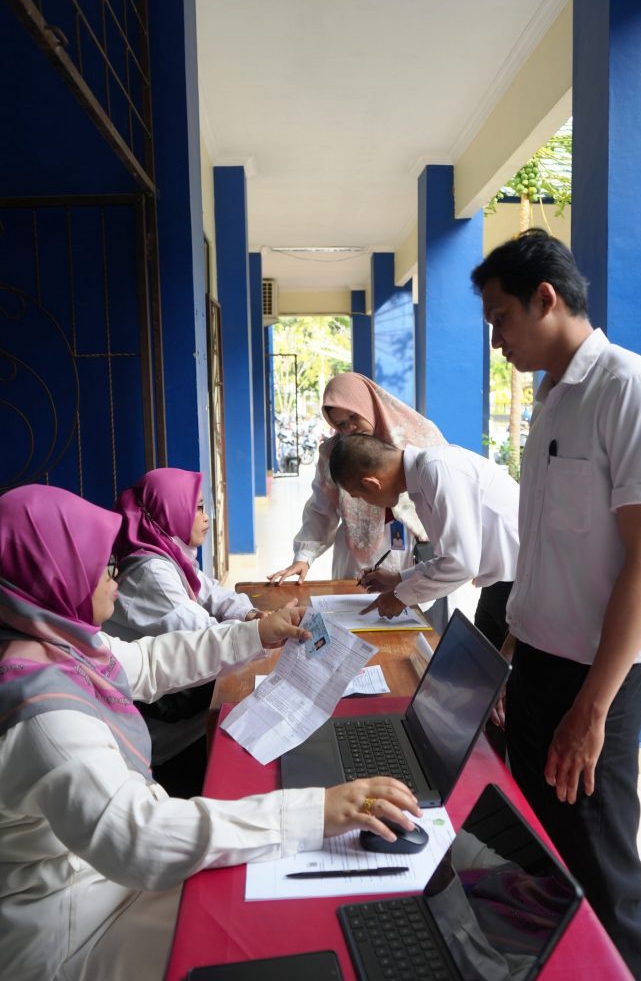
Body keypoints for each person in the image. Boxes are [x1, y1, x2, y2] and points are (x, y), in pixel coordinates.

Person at [0, 484, 422, 981]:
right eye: (102, 565)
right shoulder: (45, 714)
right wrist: (319, 810)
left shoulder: (54, 646)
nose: (116, 574)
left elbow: (149, 660)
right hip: (76, 925)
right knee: (271, 934)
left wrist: (258, 633)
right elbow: (144, 839)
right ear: (55, 576)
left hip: (103, 877)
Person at [471, 228, 641, 981]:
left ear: (545, 298)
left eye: (500, 317)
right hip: (537, 668)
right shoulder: (553, 399)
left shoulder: (631, 390)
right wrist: (509, 654)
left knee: (600, 870)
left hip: (595, 682)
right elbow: (545, 549)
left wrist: (591, 709)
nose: (495, 338)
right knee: (537, 856)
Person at [103, 468, 265, 797]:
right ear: (169, 511)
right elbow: (206, 639)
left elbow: (215, 594)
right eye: (199, 507)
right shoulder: (150, 572)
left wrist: (250, 614)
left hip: (185, 705)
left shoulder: (169, 554)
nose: (208, 516)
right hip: (170, 737)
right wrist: (260, 631)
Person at [328, 434, 519, 650]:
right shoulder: (424, 477)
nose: (364, 502)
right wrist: (398, 579)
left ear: (371, 483)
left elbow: (461, 564)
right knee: (484, 664)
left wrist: (400, 597)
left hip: (521, 585)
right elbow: (452, 559)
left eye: (359, 496)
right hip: (500, 582)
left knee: (506, 675)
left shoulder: (437, 470)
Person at [267, 372, 447, 584]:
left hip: (414, 545)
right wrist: (304, 557)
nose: (350, 428)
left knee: (413, 607)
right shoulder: (334, 455)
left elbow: (447, 498)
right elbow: (321, 509)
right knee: (355, 609)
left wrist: (466, 553)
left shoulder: (419, 436)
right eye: (341, 424)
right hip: (357, 551)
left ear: (369, 405)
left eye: (353, 417)